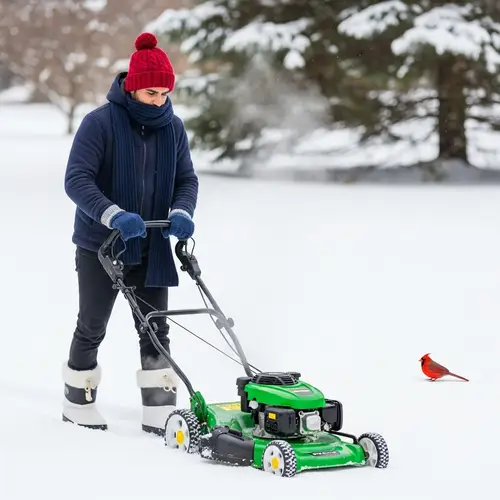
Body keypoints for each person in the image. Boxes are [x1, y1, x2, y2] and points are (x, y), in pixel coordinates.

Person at [62, 32, 199, 436]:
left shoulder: (172, 128)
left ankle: (158, 407)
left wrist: (181, 211)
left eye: (164, 93)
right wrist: (113, 214)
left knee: (155, 326)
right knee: (93, 324)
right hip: (100, 245)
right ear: (133, 87)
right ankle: (77, 400)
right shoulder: (99, 123)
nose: (159, 100)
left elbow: (186, 180)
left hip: (152, 244)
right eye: (152, 92)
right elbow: (77, 180)